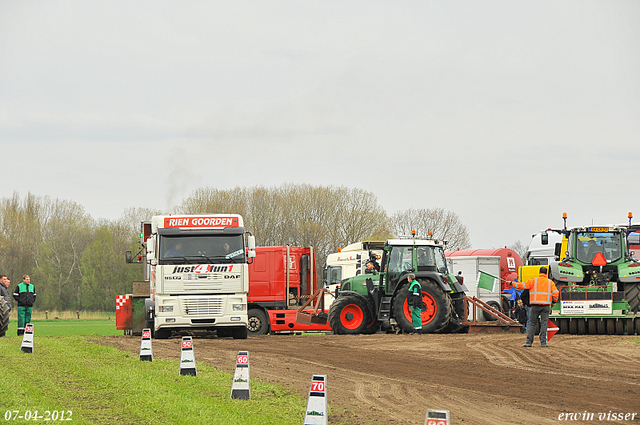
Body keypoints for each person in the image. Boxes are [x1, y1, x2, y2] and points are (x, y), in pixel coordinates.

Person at [510, 266, 559, 348]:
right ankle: (543, 343)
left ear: (539, 272)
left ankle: (529, 342)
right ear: (546, 273)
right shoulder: (550, 282)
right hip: (546, 306)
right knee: (544, 324)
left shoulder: (533, 281)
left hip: (535, 306)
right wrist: (553, 302)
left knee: (532, 323)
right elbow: (555, 294)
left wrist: (511, 283)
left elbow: (520, 286)